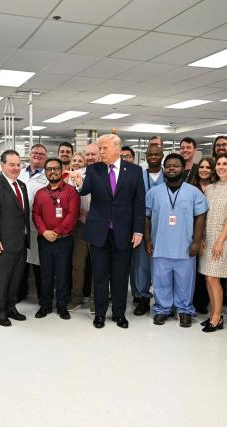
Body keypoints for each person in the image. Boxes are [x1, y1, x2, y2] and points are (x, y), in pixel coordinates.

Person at [74, 134, 145, 329]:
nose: (100, 152)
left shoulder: (134, 171)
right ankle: (99, 314)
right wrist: (79, 181)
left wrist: (138, 231)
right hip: (99, 232)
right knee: (100, 275)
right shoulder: (94, 169)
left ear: (117, 149)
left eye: (104, 148)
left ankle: (119, 314)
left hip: (124, 232)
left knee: (120, 277)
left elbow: (139, 203)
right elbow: (84, 190)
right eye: (99, 148)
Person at [145, 153, 207, 327]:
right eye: (169, 166)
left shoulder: (193, 192)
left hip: (185, 246)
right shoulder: (153, 193)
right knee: (160, 280)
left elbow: (200, 216)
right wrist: (148, 240)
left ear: (183, 169)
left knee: (185, 281)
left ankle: (185, 310)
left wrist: (196, 241)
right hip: (160, 245)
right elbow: (146, 217)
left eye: (176, 166)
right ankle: (162, 309)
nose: (172, 169)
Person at [0, 150, 30, 327]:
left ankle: (11, 307)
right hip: (2, 243)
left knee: (15, 278)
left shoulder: (21, 185)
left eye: (18, 164)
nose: (16, 168)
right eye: (12, 164)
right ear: (2, 165)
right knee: (1, 279)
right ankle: (0, 312)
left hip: (20, 241)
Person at [198, 153, 227, 332]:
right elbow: (204, 215)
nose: (221, 167)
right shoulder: (210, 188)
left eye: (225, 164)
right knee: (207, 278)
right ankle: (213, 314)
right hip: (207, 236)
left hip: (222, 237)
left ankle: (217, 316)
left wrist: (219, 241)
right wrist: (201, 236)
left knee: (213, 277)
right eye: (218, 164)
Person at [33, 158, 79, 319]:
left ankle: (62, 305)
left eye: (56, 169)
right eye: (49, 169)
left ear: (62, 171)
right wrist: (45, 232)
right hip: (44, 240)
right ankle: (45, 305)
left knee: (63, 273)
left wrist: (57, 232)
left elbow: (73, 215)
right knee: (45, 273)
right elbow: (36, 214)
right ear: (45, 172)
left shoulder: (71, 192)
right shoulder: (40, 194)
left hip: (64, 240)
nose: (52, 172)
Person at [132, 143, 165, 316]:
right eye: (150, 154)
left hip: (163, 227)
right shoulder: (139, 176)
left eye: (156, 154)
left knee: (161, 265)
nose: (153, 157)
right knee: (141, 265)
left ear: (162, 156)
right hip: (141, 227)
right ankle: (142, 298)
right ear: (145, 156)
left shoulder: (169, 177)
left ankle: (163, 300)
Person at [66, 145, 98, 312]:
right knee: (77, 264)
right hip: (77, 226)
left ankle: (95, 299)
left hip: (94, 223)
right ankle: (76, 297)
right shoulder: (67, 178)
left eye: (80, 160)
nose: (77, 163)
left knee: (96, 264)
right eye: (75, 160)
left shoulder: (94, 175)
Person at [19, 143, 48, 302]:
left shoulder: (47, 176)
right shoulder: (20, 173)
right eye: (35, 153)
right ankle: (20, 293)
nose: (37, 156)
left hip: (38, 226)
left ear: (45, 158)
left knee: (38, 264)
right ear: (29, 155)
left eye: (41, 154)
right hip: (19, 226)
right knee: (20, 263)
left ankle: (42, 298)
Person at [191, 157, 215, 314]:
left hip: (213, 234)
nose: (204, 170)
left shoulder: (216, 188)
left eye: (208, 167)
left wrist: (206, 237)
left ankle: (204, 302)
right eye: (201, 167)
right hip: (193, 234)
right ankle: (193, 300)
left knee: (208, 271)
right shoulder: (191, 188)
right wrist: (197, 238)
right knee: (194, 270)